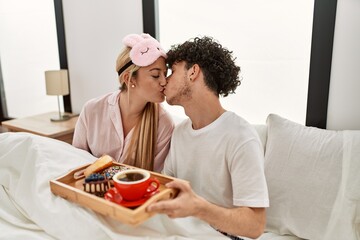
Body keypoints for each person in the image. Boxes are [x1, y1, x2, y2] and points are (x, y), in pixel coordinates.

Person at [146, 36, 269, 239]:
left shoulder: (241, 136)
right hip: (182, 230)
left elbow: (255, 225)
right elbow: (166, 187)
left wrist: (198, 208)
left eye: (173, 71)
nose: (165, 80)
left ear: (193, 72)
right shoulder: (180, 133)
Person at [72, 33, 174, 173]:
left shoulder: (163, 124)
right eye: (156, 75)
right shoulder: (92, 110)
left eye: (165, 73)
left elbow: (156, 179)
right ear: (130, 79)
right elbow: (76, 163)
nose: (164, 81)